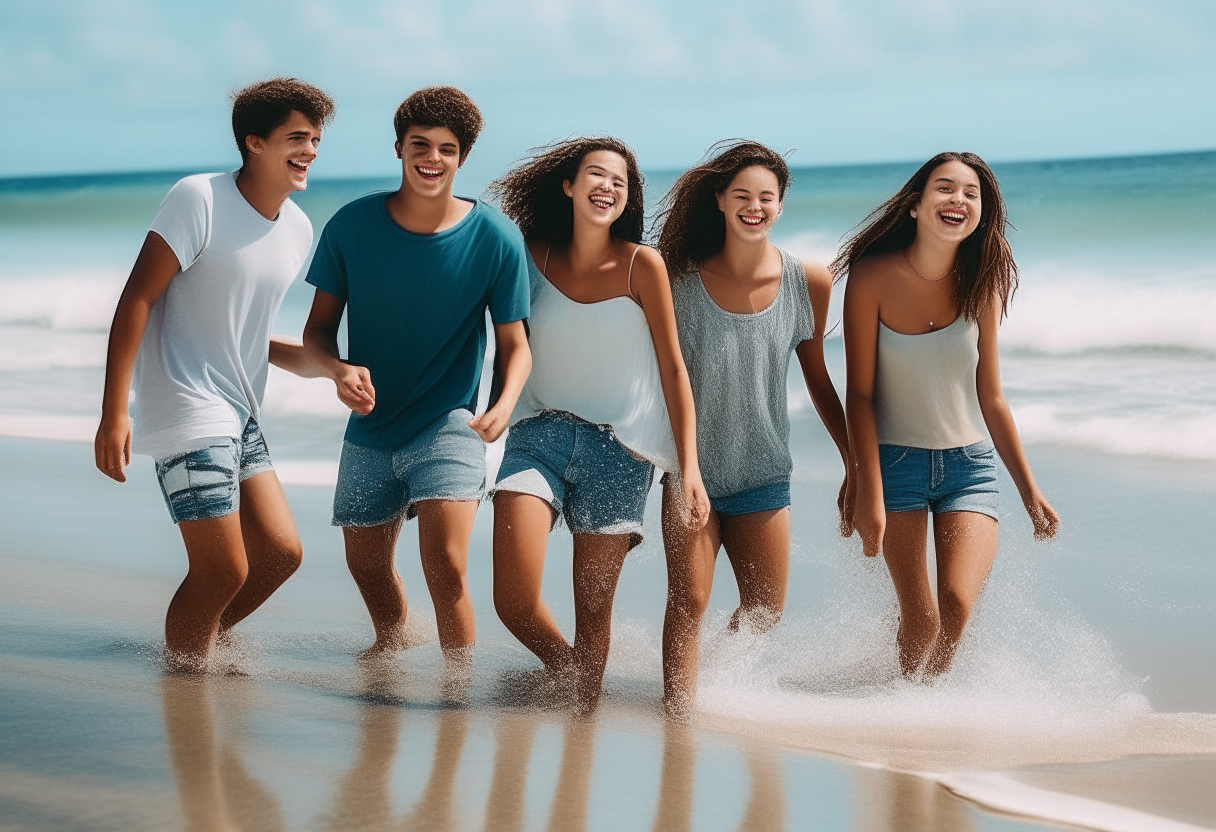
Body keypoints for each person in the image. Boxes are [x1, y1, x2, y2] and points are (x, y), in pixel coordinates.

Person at [94, 78, 336, 671]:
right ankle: (185, 682)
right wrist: (113, 413)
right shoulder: (198, 198)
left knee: (280, 554)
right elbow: (136, 301)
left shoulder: (298, 229)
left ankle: (191, 647)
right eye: (296, 138)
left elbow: (245, 334)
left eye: (315, 140)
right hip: (185, 402)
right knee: (223, 568)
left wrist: (333, 370)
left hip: (241, 410)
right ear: (254, 142)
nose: (309, 151)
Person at [302, 87, 531, 673]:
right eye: (421, 145)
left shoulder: (495, 237)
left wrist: (504, 402)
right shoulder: (352, 226)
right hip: (371, 425)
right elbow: (319, 331)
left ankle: (457, 684)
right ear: (400, 148)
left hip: (450, 422)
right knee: (366, 562)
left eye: (447, 150)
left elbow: (515, 345)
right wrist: (337, 370)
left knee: (446, 564)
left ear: (463, 157)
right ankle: (393, 640)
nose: (432, 159)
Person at [486, 137, 710, 710]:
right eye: (596, 175)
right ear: (568, 185)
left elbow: (674, 369)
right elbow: (508, 344)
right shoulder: (532, 256)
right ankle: (569, 674)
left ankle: (581, 717)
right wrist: (495, 408)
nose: (608, 187)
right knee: (512, 599)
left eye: (620, 181)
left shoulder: (643, 264)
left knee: (593, 612)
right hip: (538, 435)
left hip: (621, 450)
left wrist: (689, 467)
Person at [834, 151, 1060, 678]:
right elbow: (860, 396)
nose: (958, 199)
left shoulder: (982, 279)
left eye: (971, 193)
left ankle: (923, 706)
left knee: (956, 605)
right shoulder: (871, 278)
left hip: (970, 467)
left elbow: (992, 397)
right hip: (897, 465)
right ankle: (904, 715)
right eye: (945, 188)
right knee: (922, 617)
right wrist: (865, 485)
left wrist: (1030, 491)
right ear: (915, 205)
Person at [655, 141, 852, 716]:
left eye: (767, 197)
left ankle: (708, 681)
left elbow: (818, 378)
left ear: (781, 207)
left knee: (764, 610)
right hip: (689, 471)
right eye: (742, 195)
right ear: (719, 200)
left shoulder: (808, 282)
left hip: (763, 470)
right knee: (688, 600)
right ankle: (678, 719)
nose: (754, 207)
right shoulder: (676, 279)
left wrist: (854, 464)